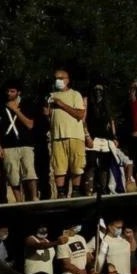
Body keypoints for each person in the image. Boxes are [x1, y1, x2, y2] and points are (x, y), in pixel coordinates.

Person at [45, 68, 89, 198]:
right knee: (59, 166)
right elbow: (48, 117)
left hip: (74, 135)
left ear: (67, 80)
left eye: (61, 78)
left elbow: (80, 114)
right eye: (56, 78)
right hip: (57, 136)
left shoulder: (75, 94)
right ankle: (61, 192)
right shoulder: (50, 96)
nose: (58, 81)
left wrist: (62, 104)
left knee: (77, 164)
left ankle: (75, 190)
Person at [0, 83, 40, 202]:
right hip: (8, 145)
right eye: (8, 91)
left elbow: (30, 124)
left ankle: (34, 196)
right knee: (12, 174)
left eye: (12, 91)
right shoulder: (0, 106)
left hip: (26, 143)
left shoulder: (26, 105)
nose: (9, 94)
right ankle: (19, 200)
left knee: (29, 171)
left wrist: (16, 110)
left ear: (18, 92)